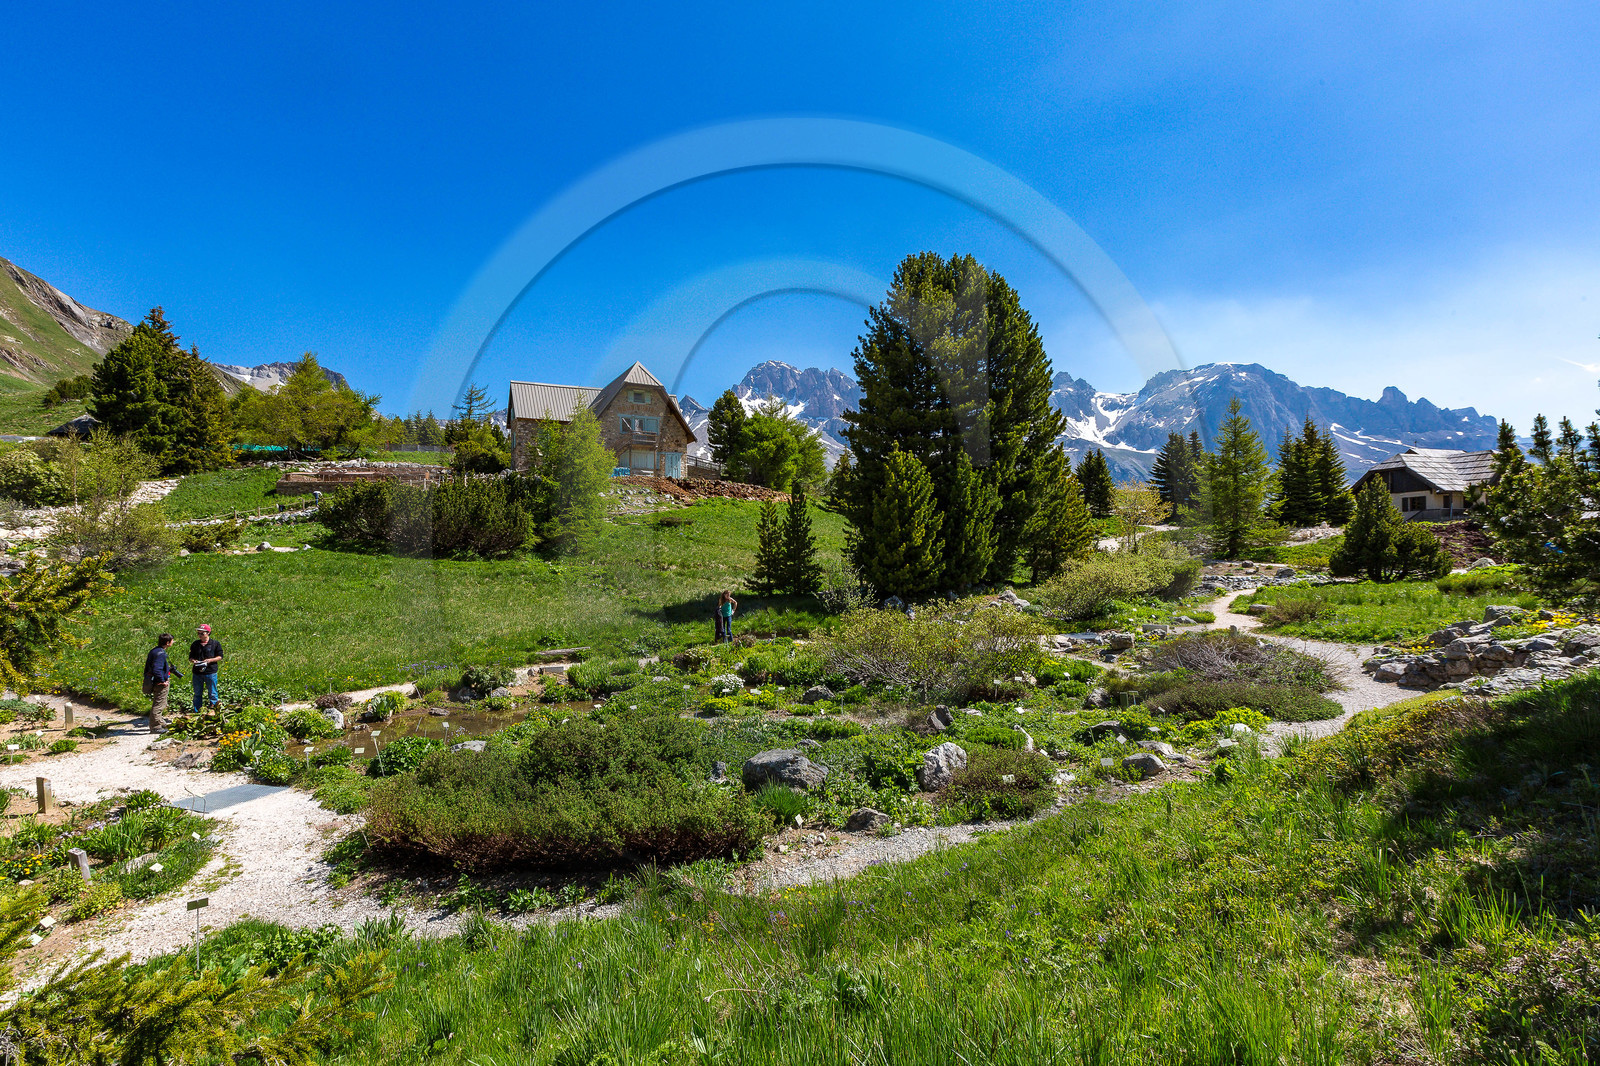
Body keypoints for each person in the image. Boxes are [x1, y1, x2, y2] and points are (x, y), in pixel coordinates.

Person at [142, 633, 181, 734]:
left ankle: (160, 721)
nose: (173, 642)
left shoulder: (155, 650)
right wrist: (162, 681)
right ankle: (155, 726)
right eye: (172, 641)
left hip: (154, 680)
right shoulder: (161, 654)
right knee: (159, 705)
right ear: (167, 643)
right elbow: (157, 669)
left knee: (160, 703)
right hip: (159, 683)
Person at [189, 624, 224, 714]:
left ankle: (214, 709)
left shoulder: (215, 644)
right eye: (199, 633)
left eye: (202, 633)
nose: (200, 635)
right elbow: (190, 657)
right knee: (197, 693)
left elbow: (220, 656)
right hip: (197, 672)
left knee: (212, 692)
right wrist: (194, 661)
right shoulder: (195, 644)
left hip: (210, 671)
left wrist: (210, 660)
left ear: (208, 633)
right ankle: (197, 710)